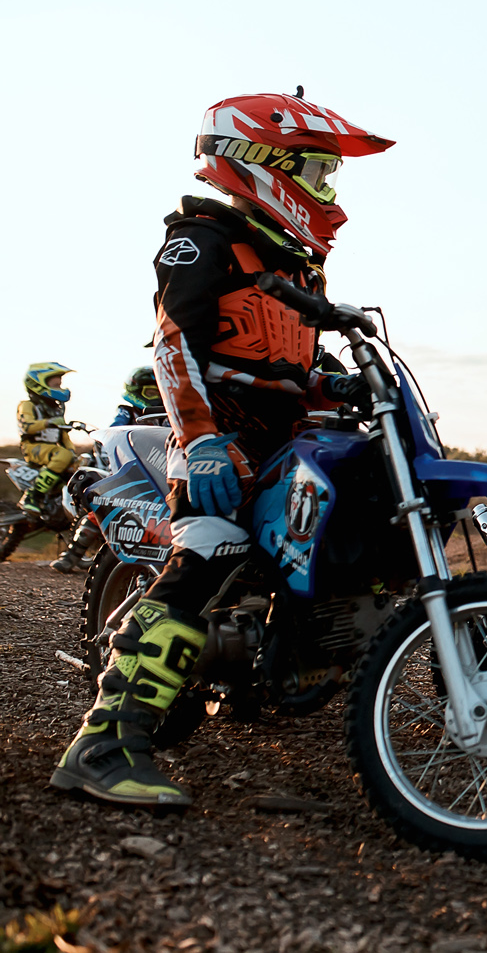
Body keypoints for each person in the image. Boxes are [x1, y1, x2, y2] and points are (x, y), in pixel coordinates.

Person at [50, 91, 391, 807]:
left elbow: (290, 367)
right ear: (261, 162)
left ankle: (292, 658)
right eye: (318, 172)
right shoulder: (201, 240)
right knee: (211, 552)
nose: (327, 193)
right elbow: (174, 343)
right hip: (215, 444)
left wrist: (336, 386)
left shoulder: (296, 265)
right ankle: (103, 743)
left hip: (282, 444)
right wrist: (200, 439)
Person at [48, 367, 167, 574]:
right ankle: (72, 554)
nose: (156, 397)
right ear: (136, 391)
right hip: (128, 468)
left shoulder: (167, 415)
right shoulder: (127, 412)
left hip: (159, 470)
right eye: (150, 392)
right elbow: (114, 432)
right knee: (105, 504)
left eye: (159, 391)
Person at [16, 362, 79, 518]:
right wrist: (48, 422)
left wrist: (72, 452)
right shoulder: (28, 405)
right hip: (33, 447)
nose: (60, 387)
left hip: (54, 451)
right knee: (63, 455)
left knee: (78, 466)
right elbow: (27, 426)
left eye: (60, 384)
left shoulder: (56, 409)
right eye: (55, 384)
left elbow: (64, 435)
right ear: (38, 383)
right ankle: (32, 496)